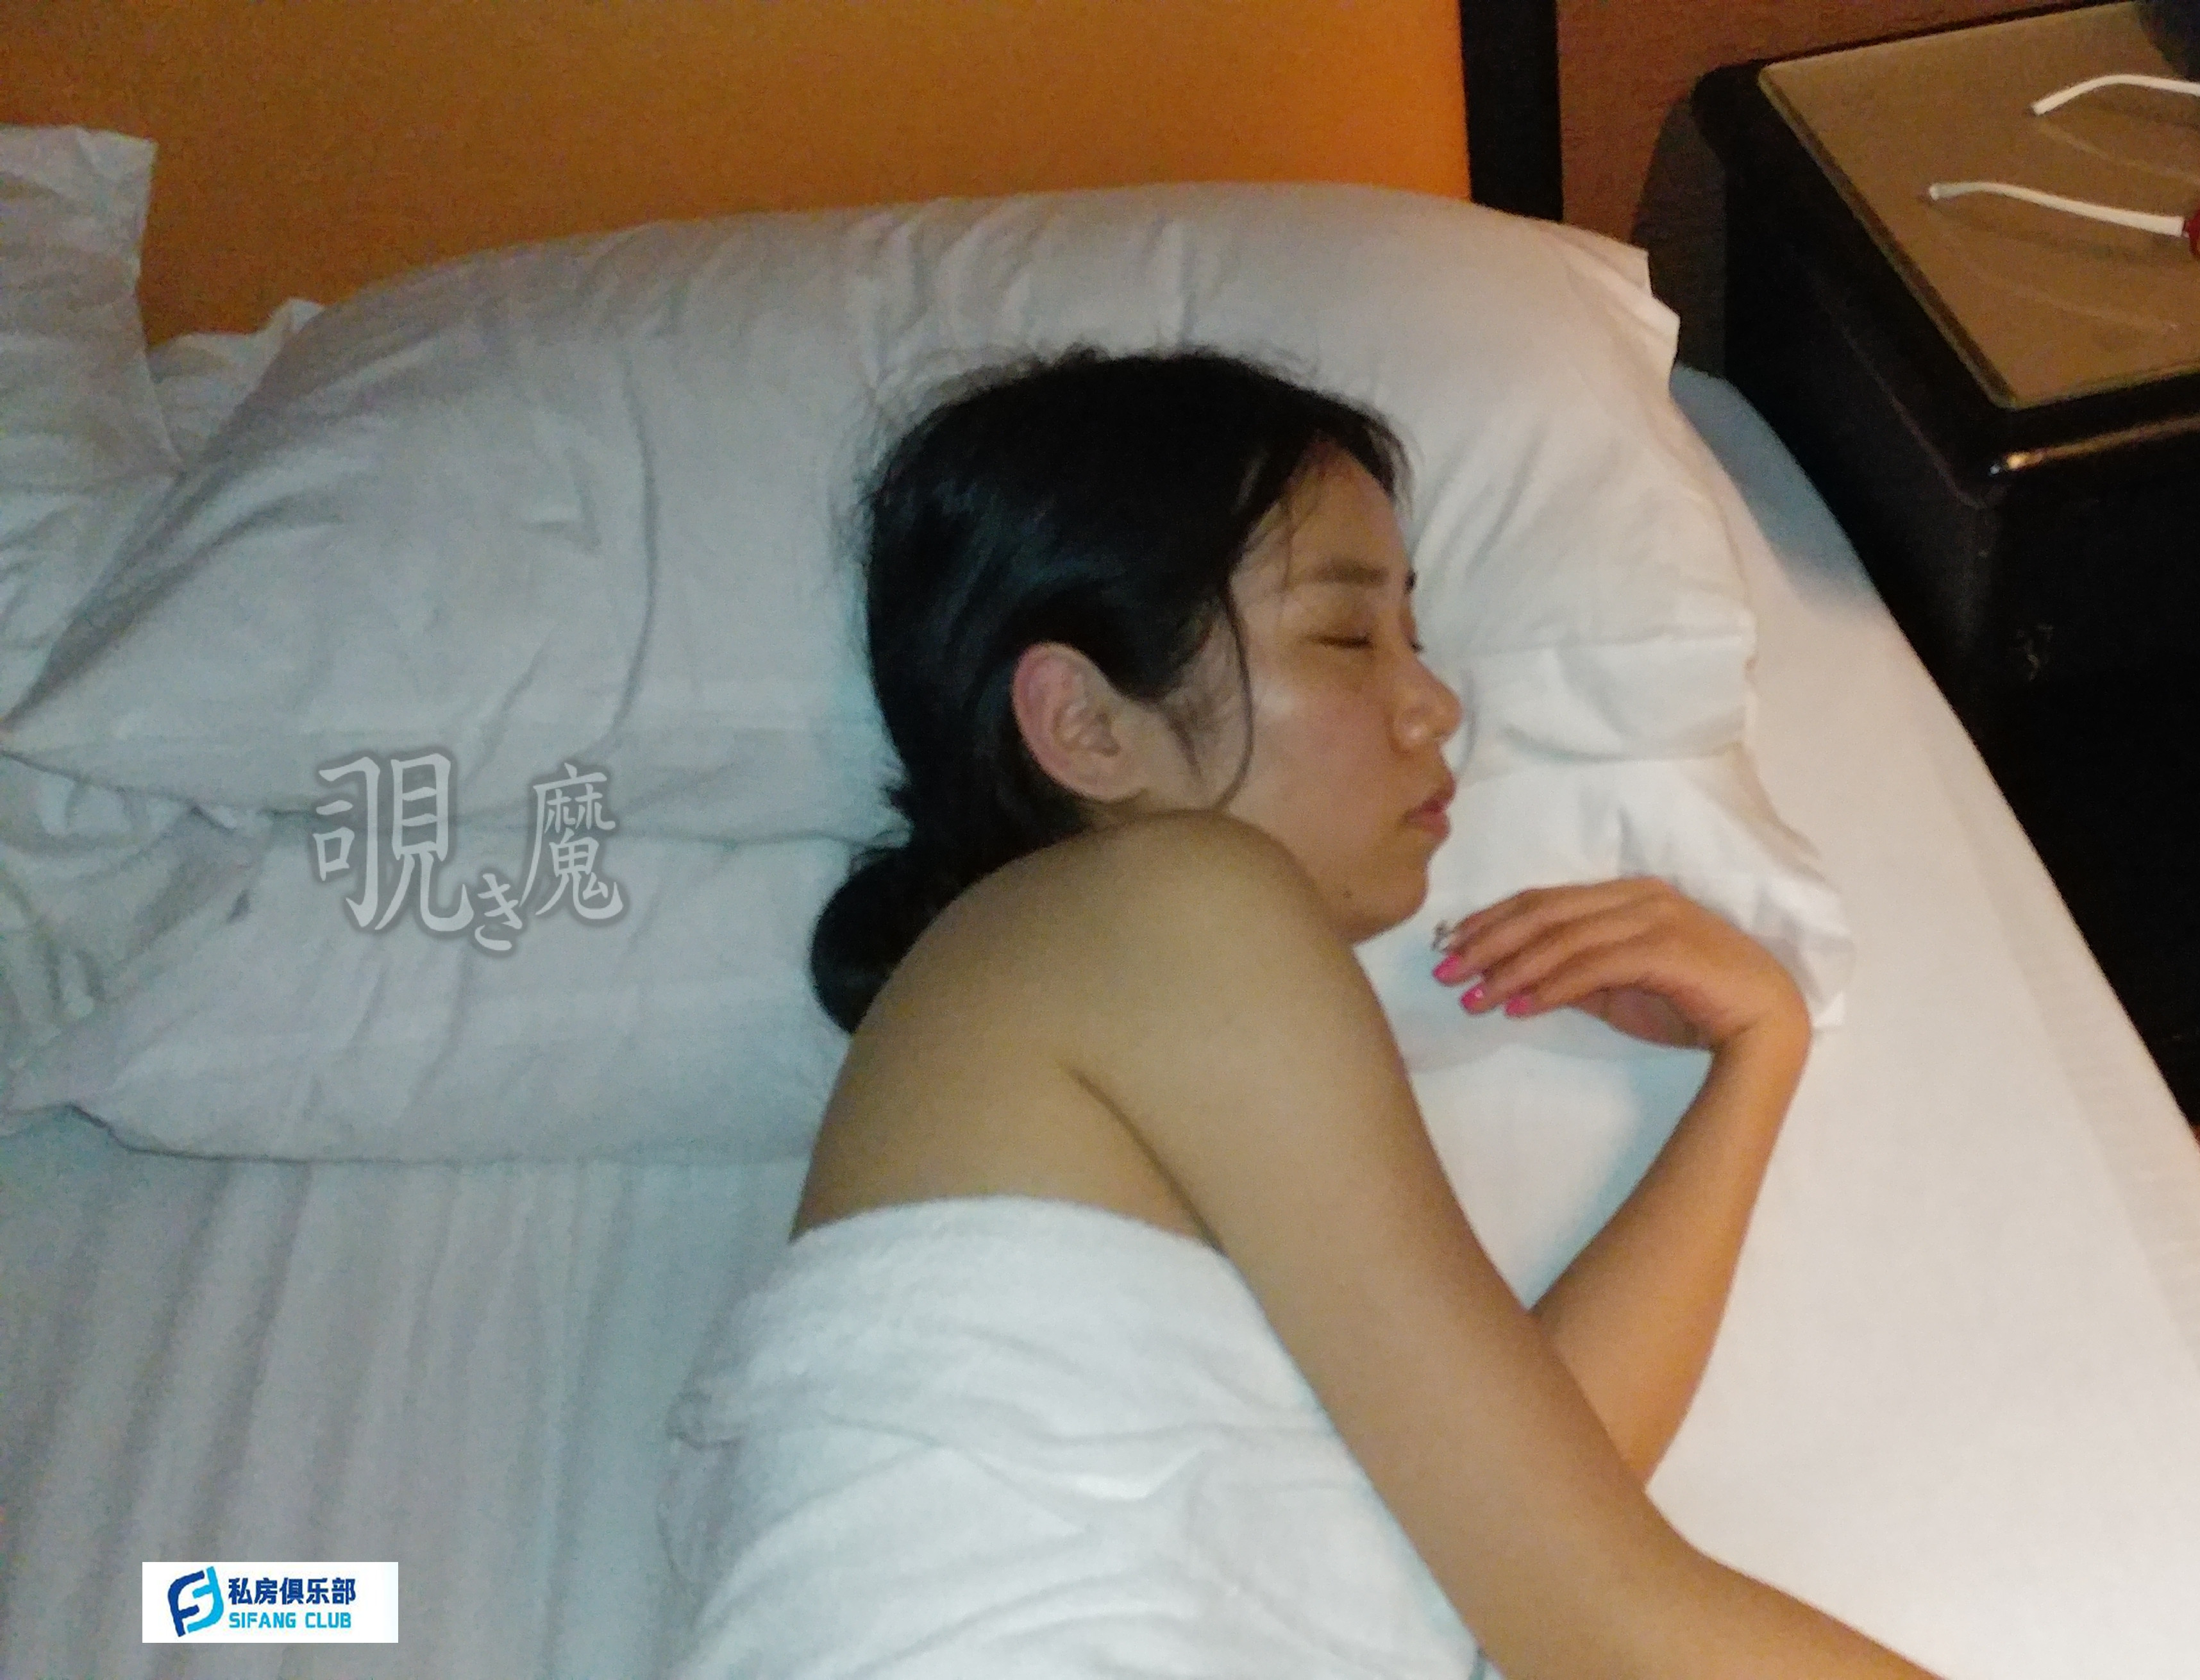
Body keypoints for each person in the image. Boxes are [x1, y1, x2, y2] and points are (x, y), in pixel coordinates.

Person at [661, 346, 1941, 1679]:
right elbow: (1597, 1614)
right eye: (1346, 635)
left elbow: (1500, 1539)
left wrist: (1757, 1055)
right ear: (1087, 724)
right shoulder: (1174, 902)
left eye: (1414, 638)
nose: (1437, 703)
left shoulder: (1109, 1014)